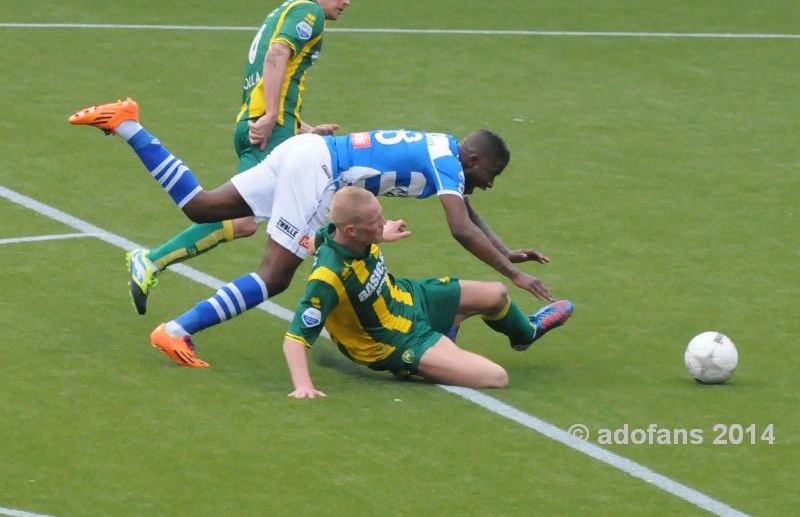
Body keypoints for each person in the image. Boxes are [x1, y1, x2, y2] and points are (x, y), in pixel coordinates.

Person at [68, 99, 556, 368]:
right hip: (318, 173)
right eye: (491, 173)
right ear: (473, 160)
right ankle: (175, 332)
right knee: (275, 276)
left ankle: (128, 125)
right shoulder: (448, 163)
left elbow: (467, 214)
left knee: (202, 207)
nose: (489, 183)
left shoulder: (443, 152)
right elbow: (459, 228)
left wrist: (505, 248)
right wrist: (512, 274)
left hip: (307, 154)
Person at [125, 0, 357, 316]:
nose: (346, 1)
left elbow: (274, 69)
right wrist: (272, 117)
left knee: (245, 219)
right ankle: (151, 262)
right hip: (268, 129)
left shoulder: (284, 11)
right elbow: (278, 55)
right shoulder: (308, 12)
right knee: (322, 199)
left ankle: (152, 262)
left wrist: (301, 126)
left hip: (265, 126)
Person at [284, 187, 573, 397]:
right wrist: (303, 387)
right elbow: (295, 338)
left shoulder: (335, 234)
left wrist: (383, 233)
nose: (383, 222)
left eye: (381, 215)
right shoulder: (328, 278)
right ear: (350, 231)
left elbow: (318, 242)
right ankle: (422, 359)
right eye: (376, 222)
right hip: (395, 341)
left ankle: (525, 334)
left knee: (496, 293)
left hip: (410, 297)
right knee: (496, 377)